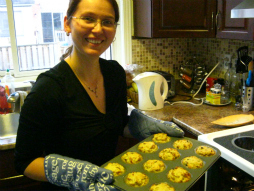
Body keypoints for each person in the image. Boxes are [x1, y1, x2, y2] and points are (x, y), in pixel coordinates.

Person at [14, 0, 184, 190]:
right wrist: (71, 175)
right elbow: (25, 161)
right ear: (67, 23)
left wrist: (134, 126)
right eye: (88, 19)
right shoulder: (48, 89)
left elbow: (116, 123)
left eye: (107, 21)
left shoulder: (115, 74)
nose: (98, 29)